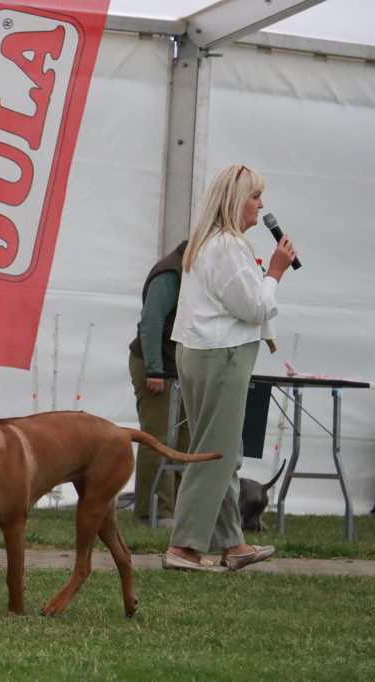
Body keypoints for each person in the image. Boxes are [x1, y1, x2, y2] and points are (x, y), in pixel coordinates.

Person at [161, 164, 296, 572]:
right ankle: (184, 547)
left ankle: (231, 542)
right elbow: (254, 307)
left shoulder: (206, 243)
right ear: (237, 202)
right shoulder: (229, 246)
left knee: (222, 449)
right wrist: (274, 272)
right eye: (255, 196)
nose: (261, 205)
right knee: (216, 453)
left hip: (201, 351)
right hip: (223, 355)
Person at [128, 240, 191, 526]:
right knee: (157, 440)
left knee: (184, 441)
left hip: (177, 369)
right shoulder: (171, 272)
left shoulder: (189, 269)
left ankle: (177, 509)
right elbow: (152, 321)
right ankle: (153, 513)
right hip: (157, 368)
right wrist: (155, 370)